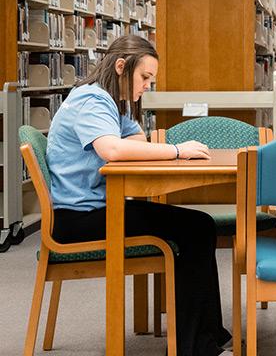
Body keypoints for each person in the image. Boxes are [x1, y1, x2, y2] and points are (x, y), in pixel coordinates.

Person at [46, 35, 233, 356]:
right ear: (121, 66)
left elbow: (138, 139)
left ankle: (208, 335)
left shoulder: (108, 101)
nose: (147, 85)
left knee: (199, 226)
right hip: (79, 219)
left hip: (96, 209)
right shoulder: (92, 99)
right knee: (196, 228)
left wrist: (129, 108)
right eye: (144, 77)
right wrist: (177, 150)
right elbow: (113, 149)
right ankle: (195, 345)